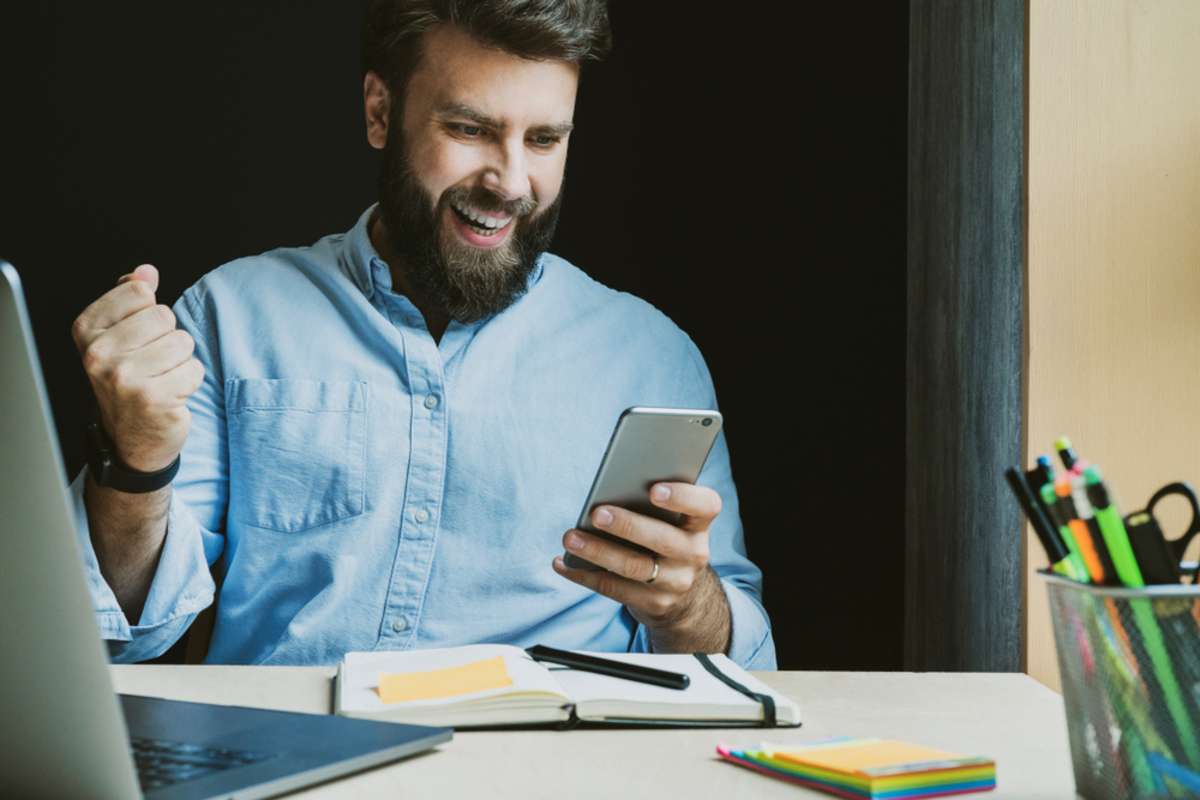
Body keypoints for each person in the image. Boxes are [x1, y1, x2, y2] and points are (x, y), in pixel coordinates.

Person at [68, 0, 776, 669]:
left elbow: (746, 665)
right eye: (469, 129)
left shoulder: (648, 354)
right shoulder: (231, 317)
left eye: (544, 139)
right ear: (381, 111)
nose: (511, 182)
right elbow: (129, 634)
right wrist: (135, 464)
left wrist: (686, 606)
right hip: (294, 769)